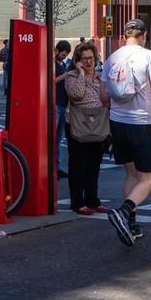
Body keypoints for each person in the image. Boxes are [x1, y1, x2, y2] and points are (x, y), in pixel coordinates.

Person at [101, 18, 151, 245]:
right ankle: (124, 212)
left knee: (131, 174)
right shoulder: (149, 57)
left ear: (124, 36)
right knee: (148, 178)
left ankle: (132, 224)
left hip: (118, 122)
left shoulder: (112, 58)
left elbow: (103, 97)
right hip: (141, 123)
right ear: (144, 35)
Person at [64, 42, 110, 215]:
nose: (88, 62)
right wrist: (82, 74)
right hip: (79, 124)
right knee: (78, 166)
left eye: (91, 58)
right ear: (78, 61)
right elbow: (76, 95)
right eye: (84, 59)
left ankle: (93, 200)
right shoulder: (72, 77)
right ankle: (77, 202)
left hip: (98, 124)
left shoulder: (101, 77)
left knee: (94, 166)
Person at [54, 40, 73, 179]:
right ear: (57, 50)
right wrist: (65, 75)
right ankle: (53, 166)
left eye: (65, 55)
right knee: (53, 136)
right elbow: (52, 80)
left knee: (58, 138)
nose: (64, 57)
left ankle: (57, 166)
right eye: (63, 54)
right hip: (55, 104)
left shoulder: (61, 64)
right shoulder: (52, 64)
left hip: (62, 103)